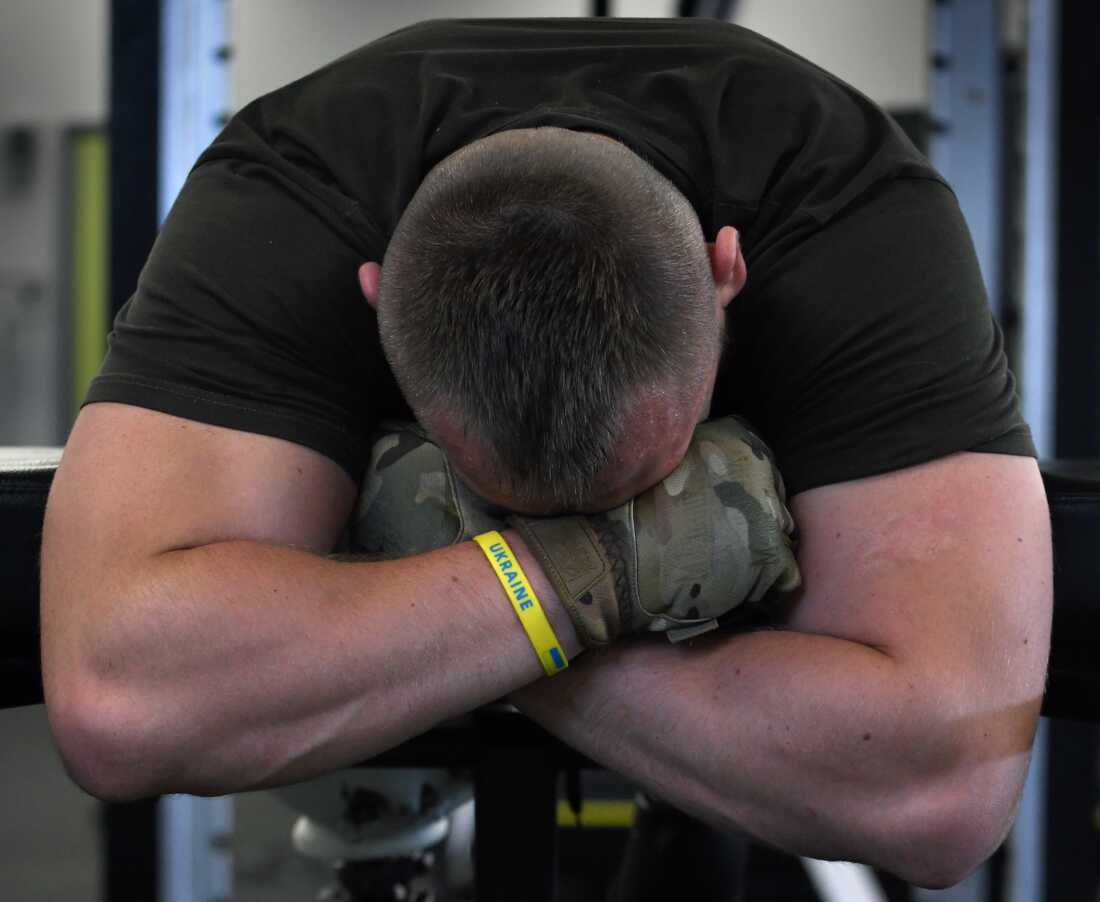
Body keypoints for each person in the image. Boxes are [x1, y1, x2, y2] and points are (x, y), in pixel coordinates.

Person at [39, 16, 1051, 891]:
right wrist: (602, 575)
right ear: (376, 296)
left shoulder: (851, 210)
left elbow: (939, 790)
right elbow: (124, 701)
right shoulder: (286, 195)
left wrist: (421, 613)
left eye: (632, 493)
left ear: (725, 273)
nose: (580, 517)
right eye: (491, 501)